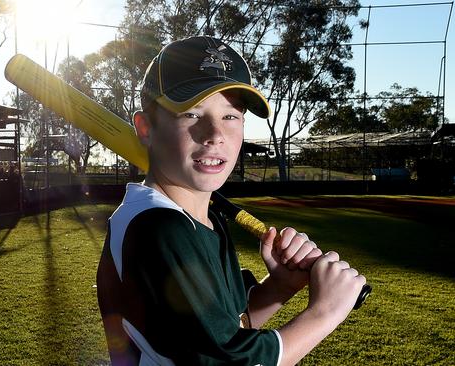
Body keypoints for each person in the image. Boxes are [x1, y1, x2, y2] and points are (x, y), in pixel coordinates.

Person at [97, 36, 366, 366]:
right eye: (191, 115)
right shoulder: (157, 227)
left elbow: (228, 327)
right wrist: (326, 312)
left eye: (231, 116)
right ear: (145, 127)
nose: (215, 134)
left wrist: (279, 286)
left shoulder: (205, 217)